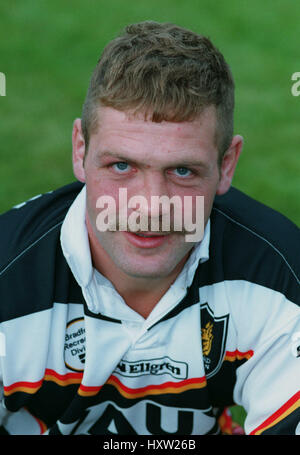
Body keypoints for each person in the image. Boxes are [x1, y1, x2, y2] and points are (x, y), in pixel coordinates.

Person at [0, 21, 299, 436]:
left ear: (226, 165)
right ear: (79, 149)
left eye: (182, 170)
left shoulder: (282, 277)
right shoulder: (7, 278)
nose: (150, 206)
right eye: (121, 166)